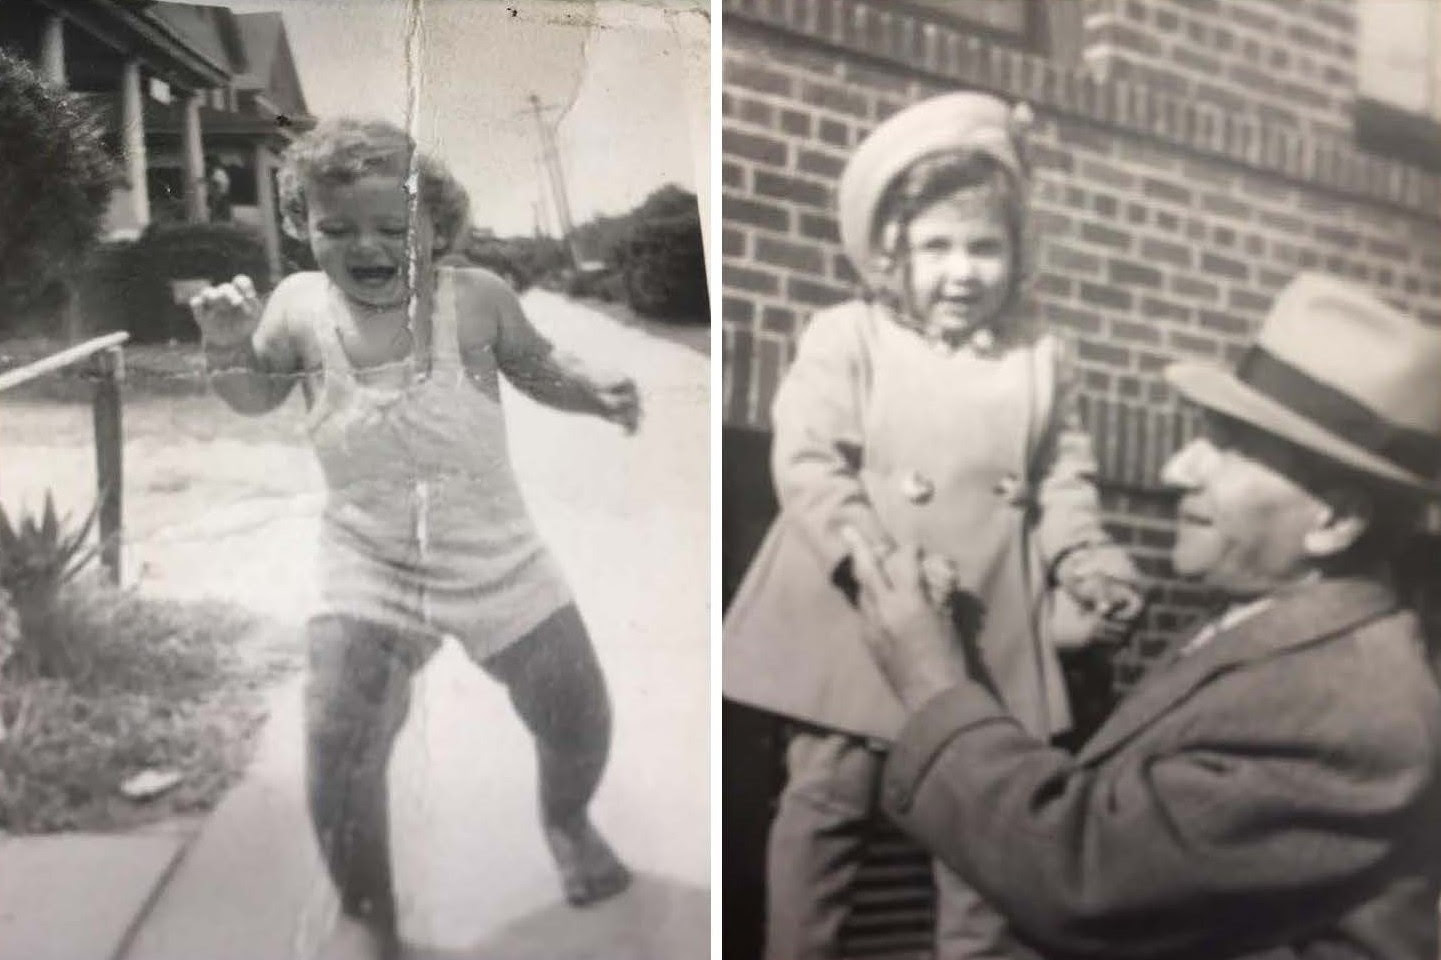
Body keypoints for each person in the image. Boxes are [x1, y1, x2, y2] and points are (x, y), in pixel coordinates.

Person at [848, 271, 1441, 959]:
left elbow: (1084, 879)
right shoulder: (1268, 631)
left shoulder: (1354, 712)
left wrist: (932, 682)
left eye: (1228, 446)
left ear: (1334, 520)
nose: (1176, 469)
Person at [188, 118, 640, 960]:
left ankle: (568, 819)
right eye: (337, 227)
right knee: (337, 730)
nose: (366, 246)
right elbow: (254, 395)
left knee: (577, 712)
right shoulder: (297, 308)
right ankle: (368, 914)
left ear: (436, 227)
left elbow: (538, 367)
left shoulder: (476, 299)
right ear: (302, 225)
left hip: (495, 554)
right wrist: (224, 348)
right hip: (368, 561)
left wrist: (592, 391)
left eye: (391, 228)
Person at [723, 92, 1145, 960]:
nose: (963, 272)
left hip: (987, 629)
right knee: (825, 812)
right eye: (937, 247)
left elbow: (1062, 481)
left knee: (982, 837)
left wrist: (1086, 561)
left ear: (1016, 255)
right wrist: (881, 565)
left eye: (985, 248)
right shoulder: (848, 337)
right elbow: (808, 463)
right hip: (863, 613)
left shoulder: (1040, 358)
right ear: (892, 253)